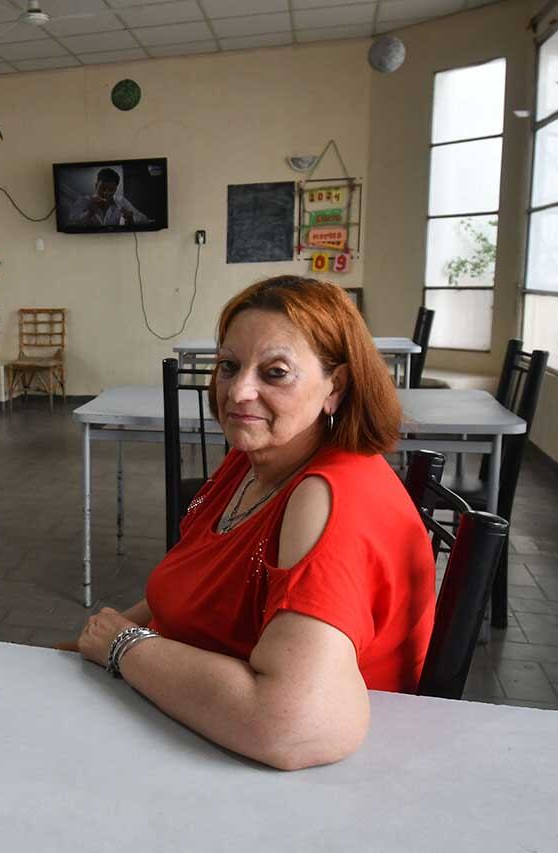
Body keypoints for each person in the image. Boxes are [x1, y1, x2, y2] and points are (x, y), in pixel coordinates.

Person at [72, 276, 435, 770]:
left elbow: (296, 727)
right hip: (193, 724)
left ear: (337, 386)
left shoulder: (327, 499)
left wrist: (122, 646)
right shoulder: (256, 458)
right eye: (229, 366)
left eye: (276, 372)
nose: (239, 391)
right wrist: (95, 639)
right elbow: (191, 588)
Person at [68, 167, 149, 227]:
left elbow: (144, 220)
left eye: (111, 189)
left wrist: (131, 220)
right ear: (96, 185)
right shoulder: (83, 201)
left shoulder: (121, 201)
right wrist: (90, 213)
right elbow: (71, 224)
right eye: (102, 188)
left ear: (116, 189)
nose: (106, 193)